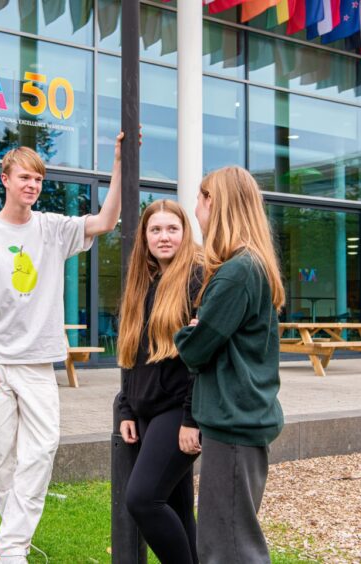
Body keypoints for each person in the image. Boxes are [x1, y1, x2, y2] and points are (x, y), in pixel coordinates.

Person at [0, 133, 127, 564]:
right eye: (24, 177)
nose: (32, 185)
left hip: (38, 364)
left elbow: (106, 220)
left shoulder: (52, 228)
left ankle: (6, 546)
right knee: (4, 459)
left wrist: (120, 162)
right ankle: (13, 550)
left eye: (37, 179)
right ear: (6, 180)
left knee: (43, 447)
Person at [174, 166, 285, 564]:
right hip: (240, 420)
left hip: (234, 423)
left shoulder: (237, 272)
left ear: (216, 205)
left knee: (229, 546)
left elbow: (196, 348)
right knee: (229, 537)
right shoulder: (248, 266)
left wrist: (189, 332)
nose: (196, 209)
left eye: (201, 199)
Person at [117, 199, 202, 564]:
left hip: (176, 410)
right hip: (145, 412)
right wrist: (125, 408)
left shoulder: (197, 279)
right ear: (145, 236)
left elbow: (202, 357)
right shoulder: (143, 281)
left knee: (143, 499)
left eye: (172, 229)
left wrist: (190, 419)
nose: (164, 237)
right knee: (177, 508)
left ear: (185, 233)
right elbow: (131, 351)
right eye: (156, 229)